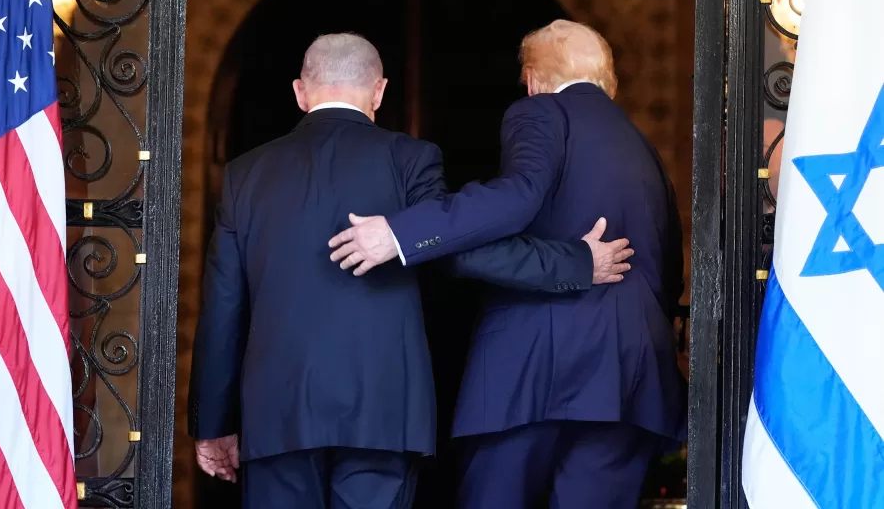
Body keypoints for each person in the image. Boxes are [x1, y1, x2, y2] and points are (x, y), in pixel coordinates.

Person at [188, 33, 634, 509]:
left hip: (276, 417)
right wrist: (576, 262)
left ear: (300, 92)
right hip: (384, 415)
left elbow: (222, 309)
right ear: (379, 91)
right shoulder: (411, 159)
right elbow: (463, 252)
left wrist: (212, 425)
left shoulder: (244, 175)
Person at [329, 21, 687, 508]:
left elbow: (517, 198)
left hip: (532, 374)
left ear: (534, 79)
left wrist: (401, 233)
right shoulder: (645, 148)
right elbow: (669, 268)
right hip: (631, 380)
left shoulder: (541, 112)